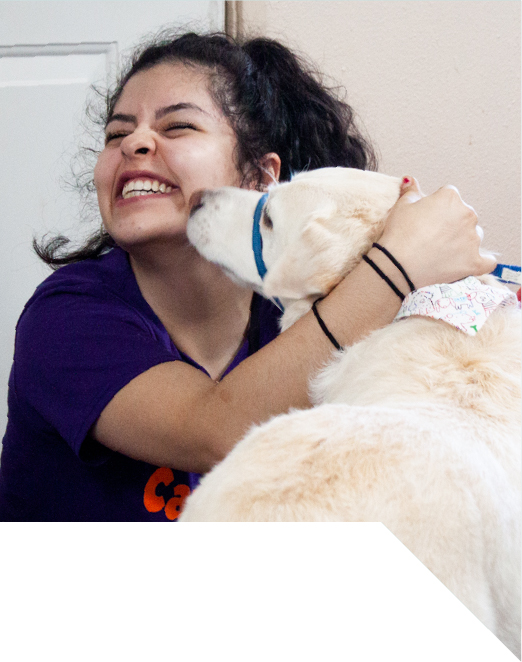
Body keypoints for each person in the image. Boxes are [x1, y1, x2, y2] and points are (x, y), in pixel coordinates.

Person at [0, 31, 494, 521]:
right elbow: (216, 428)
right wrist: (399, 265)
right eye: (116, 134)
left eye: (176, 127)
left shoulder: (293, 307)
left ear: (260, 177)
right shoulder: (64, 318)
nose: (135, 142)